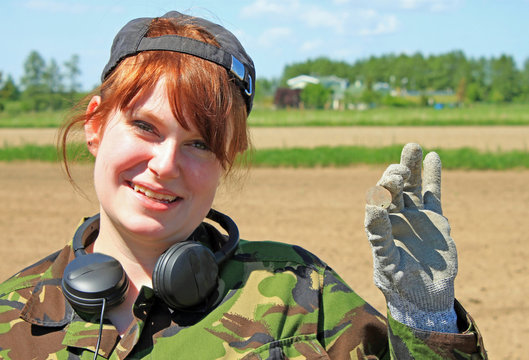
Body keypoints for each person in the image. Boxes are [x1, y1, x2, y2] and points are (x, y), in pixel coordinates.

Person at [0, 11, 487, 359]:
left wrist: (426, 320)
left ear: (225, 162)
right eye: (145, 127)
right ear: (95, 125)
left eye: (199, 145)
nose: (166, 164)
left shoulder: (301, 295)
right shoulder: (11, 319)